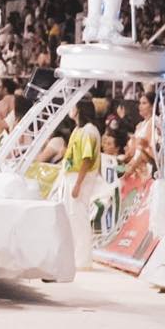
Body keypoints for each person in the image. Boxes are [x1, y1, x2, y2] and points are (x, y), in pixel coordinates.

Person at [62, 99, 103, 268]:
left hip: (81, 177)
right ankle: (75, 256)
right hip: (72, 175)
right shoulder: (78, 129)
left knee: (79, 217)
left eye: (73, 106)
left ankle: (83, 260)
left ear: (79, 110)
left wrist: (78, 183)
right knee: (72, 217)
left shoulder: (89, 131)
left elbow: (87, 159)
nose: (70, 109)